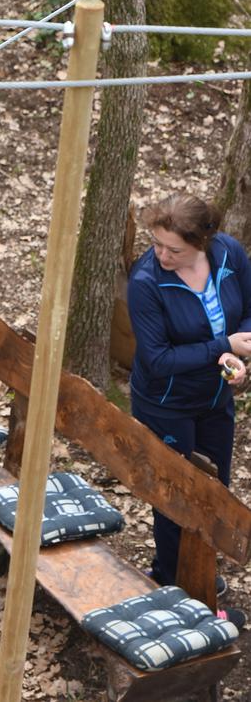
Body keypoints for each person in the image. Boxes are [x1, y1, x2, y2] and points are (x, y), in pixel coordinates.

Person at [127, 193, 251, 622]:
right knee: (176, 496)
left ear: (203, 241)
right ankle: (173, 582)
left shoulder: (229, 254)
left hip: (215, 399)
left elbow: (248, 312)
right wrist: (222, 346)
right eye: (156, 244)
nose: (162, 255)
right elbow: (157, 360)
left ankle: (198, 571)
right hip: (166, 404)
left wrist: (238, 355)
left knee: (214, 489)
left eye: (174, 249)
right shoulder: (146, 282)